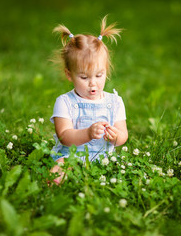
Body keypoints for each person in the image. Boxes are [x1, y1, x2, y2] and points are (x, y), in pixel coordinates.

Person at [49, 16, 128, 185]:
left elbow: (123, 135)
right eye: (84, 77)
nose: (93, 83)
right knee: (56, 174)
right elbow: (64, 136)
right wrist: (87, 133)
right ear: (69, 74)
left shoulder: (115, 102)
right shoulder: (64, 102)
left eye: (99, 75)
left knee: (128, 176)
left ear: (106, 71)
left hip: (105, 161)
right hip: (72, 158)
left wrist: (116, 137)